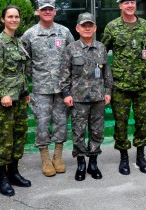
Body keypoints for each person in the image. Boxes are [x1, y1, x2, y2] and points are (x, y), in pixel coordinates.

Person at [21, 0, 74, 177]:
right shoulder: (29, 34)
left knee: (61, 122)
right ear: (38, 11)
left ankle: (57, 156)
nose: (47, 12)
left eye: (50, 9)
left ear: (55, 12)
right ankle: (45, 158)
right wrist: (33, 76)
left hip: (62, 88)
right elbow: (24, 60)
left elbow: (72, 56)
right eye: (44, 9)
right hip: (41, 88)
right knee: (42, 124)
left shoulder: (64, 32)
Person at [101, 0, 146, 175]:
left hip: (141, 84)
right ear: (120, 6)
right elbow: (102, 53)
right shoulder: (112, 27)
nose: (130, 5)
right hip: (120, 85)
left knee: (142, 122)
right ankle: (124, 157)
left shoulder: (145, 26)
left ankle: (140, 155)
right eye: (126, 3)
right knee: (121, 123)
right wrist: (105, 81)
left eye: (132, 2)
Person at [60, 13, 112, 181]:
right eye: (84, 25)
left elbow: (107, 72)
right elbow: (64, 73)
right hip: (78, 99)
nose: (87, 28)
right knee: (78, 131)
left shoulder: (101, 47)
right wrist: (66, 93)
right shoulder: (71, 48)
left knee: (97, 131)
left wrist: (108, 91)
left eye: (90, 25)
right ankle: (81, 163)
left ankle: (93, 163)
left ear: (95, 28)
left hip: (98, 97)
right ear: (77, 28)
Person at [0, 6, 32, 197]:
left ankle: (13, 172)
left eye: (16, 16)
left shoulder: (17, 41)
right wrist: (2, 94)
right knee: (3, 138)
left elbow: (21, 71)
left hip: (20, 97)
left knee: (19, 135)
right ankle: (2, 178)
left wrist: (26, 91)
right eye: (10, 16)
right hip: (5, 100)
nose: (14, 19)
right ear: (2, 19)